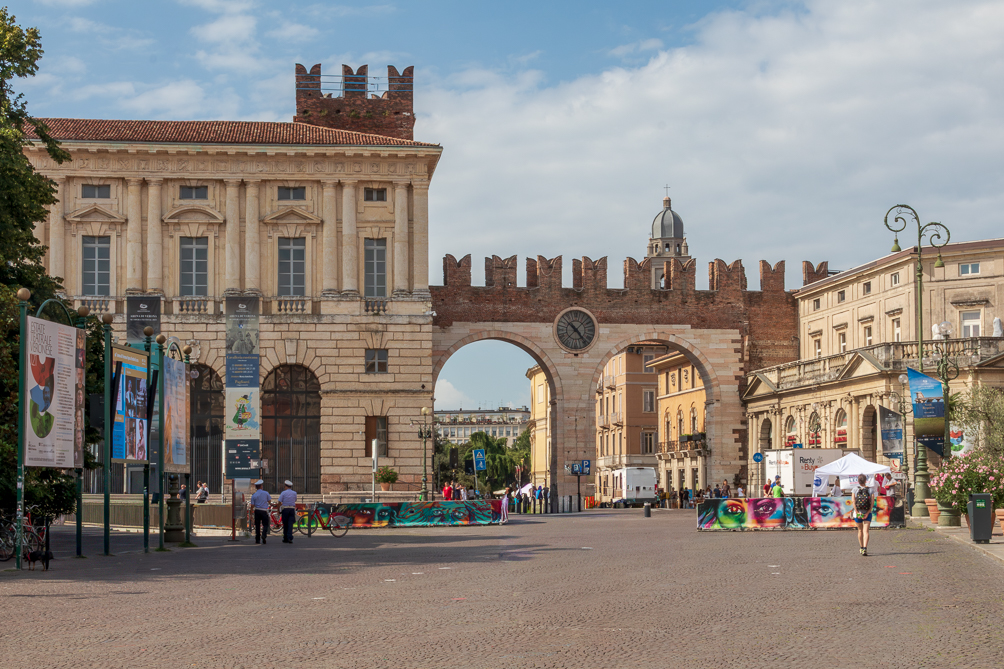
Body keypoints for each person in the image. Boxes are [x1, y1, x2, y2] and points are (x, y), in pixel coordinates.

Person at [852, 473, 875, 556]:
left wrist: (857, 512)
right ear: (866, 481)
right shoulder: (870, 490)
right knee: (866, 531)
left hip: (858, 513)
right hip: (867, 513)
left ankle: (861, 547)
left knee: (860, 530)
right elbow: (872, 503)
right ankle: (865, 548)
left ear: (858, 481)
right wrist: (868, 512)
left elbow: (853, 501)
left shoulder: (855, 489)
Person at [250, 480, 271, 545]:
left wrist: (251, 513)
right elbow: (269, 501)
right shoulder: (266, 493)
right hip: (264, 510)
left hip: (257, 511)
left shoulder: (254, 495)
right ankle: (264, 534)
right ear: (261, 486)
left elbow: (252, 505)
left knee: (257, 525)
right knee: (265, 524)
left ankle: (257, 539)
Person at [278, 480, 297, 544]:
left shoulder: (283, 493)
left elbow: (280, 502)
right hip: (291, 509)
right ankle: (290, 537)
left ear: (286, 486)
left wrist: (278, 510)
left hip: (285, 509)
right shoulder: (294, 493)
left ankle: (285, 537)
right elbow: (295, 500)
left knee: (285, 524)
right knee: (290, 524)